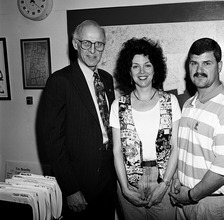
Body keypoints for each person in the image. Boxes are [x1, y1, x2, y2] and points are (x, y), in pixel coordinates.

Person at [37, 20, 116, 220]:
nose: (93, 50)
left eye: (99, 44)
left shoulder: (106, 79)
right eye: (86, 43)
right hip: (80, 178)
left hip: (109, 173)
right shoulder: (59, 81)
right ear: (75, 44)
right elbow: (53, 141)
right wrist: (70, 189)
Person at [169, 38, 224, 220]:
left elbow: (222, 172)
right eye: (194, 63)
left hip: (212, 206)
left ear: (219, 66)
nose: (199, 70)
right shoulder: (189, 105)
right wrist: (176, 179)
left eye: (207, 63)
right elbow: (183, 151)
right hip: (185, 200)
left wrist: (191, 196)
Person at [110, 37, 181, 220]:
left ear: (155, 68)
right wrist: (124, 188)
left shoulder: (170, 102)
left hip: (163, 177)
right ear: (129, 70)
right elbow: (117, 151)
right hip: (129, 180)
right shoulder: (118, 105)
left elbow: (175, 147)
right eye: (135, 66)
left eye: (147, 65)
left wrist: (165, 184)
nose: (142, 71)